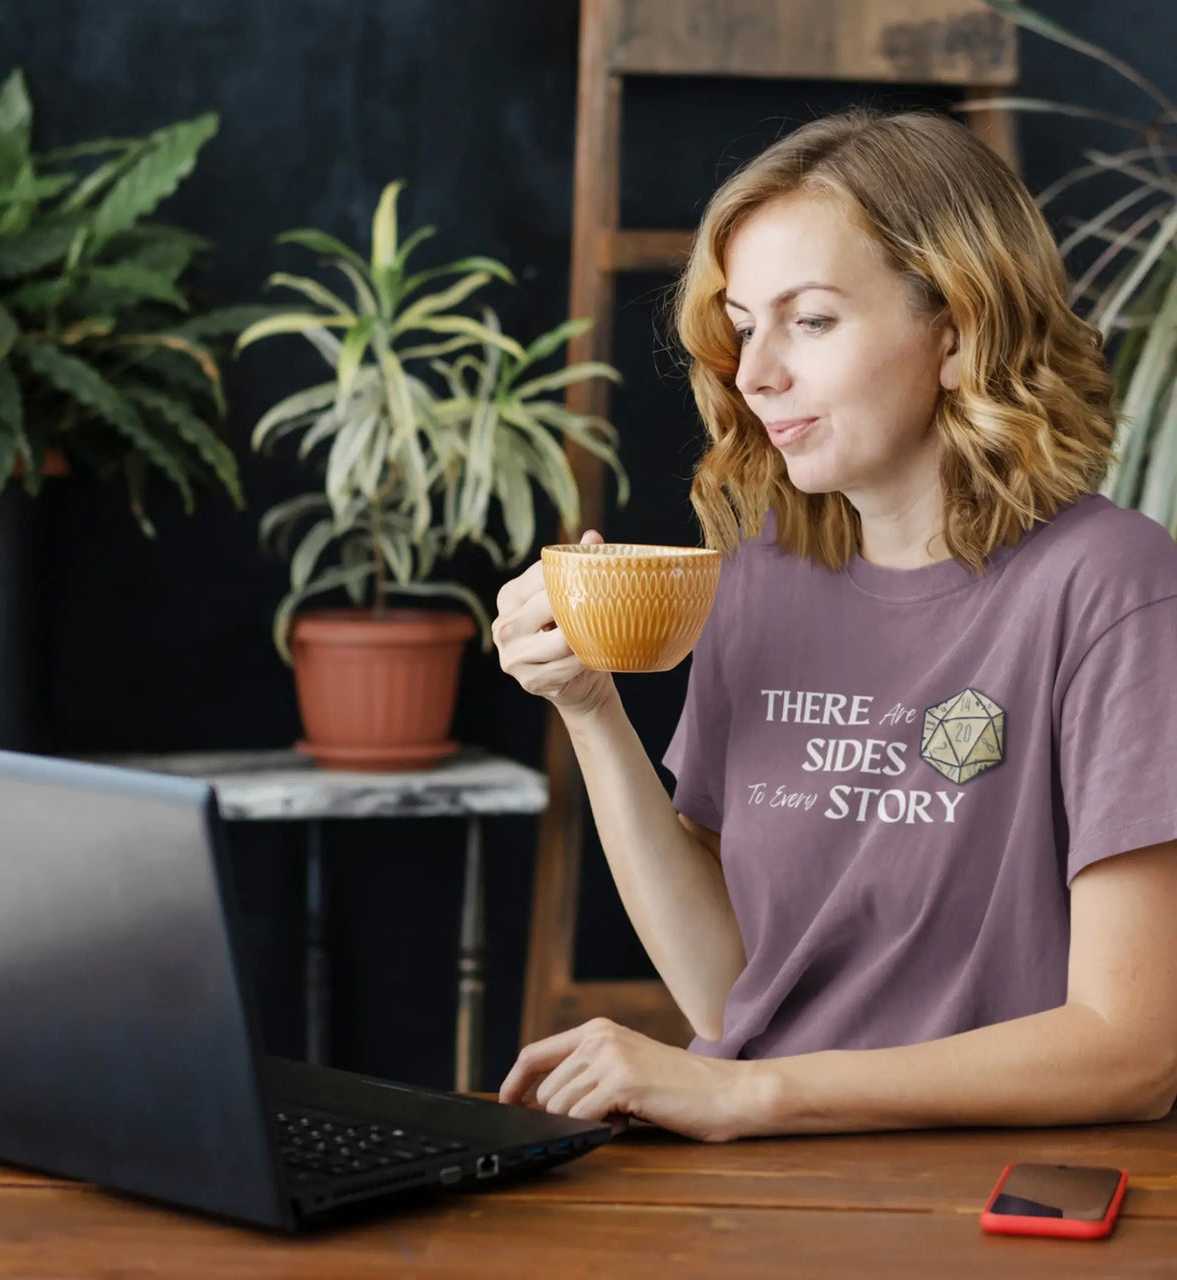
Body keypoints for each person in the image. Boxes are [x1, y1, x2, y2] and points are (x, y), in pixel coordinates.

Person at [491, 107, 1177, 1142]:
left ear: (956, 330)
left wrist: (751, 1092)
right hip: (770, 1178)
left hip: (987, 1190)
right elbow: (732, 998)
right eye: (741, 321)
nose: (754, 371)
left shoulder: (1110, 585)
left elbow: (1133, 1051)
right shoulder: (762, 575)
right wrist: (589, 709)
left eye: (808, 319)